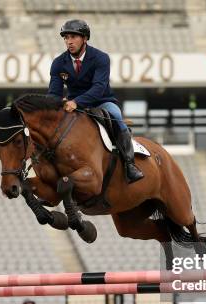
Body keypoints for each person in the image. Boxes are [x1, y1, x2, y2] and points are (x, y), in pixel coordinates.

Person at [47, 19, 144, 184]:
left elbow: (99, 88)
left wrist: (76, 102)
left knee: (116, 115)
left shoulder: (101, 58)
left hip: (101, 101)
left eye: (73, 37)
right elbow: (54, 93)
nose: (69, 41)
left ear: (85, 38)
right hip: (73, 105)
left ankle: (130, 165)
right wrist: (57, 104)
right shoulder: (58, 63)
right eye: (66, 38)